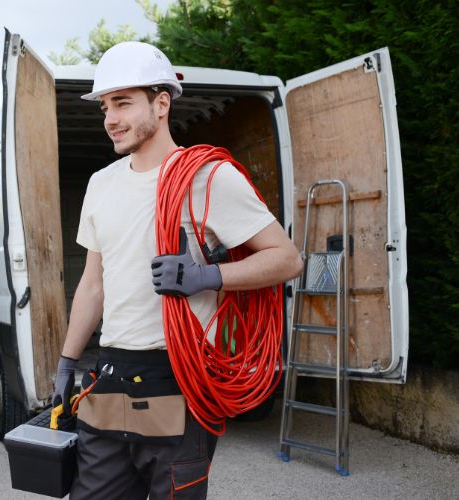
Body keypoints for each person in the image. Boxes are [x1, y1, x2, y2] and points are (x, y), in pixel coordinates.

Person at [52, 41, 303, 499]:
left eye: (123, 103)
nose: (110, 118)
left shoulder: (206, 177)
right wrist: (68, 361)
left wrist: (207, 277)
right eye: (106, 105)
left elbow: (286, 258)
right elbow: (93, 284)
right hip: (109, 373)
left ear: (161, 103)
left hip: (179, 379)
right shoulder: (100, 184)